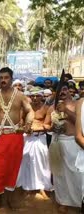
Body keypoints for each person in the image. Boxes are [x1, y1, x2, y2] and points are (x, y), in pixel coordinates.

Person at [0, 67, 34, 211]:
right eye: (1, 77)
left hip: (15, 136)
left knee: (12, 168)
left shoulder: (20, 96)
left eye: (6, 77)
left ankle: (8, 199)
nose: (3, 80)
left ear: (11, 78)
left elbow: (29, 111)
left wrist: (28, 123)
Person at [44, 83, 83, 213]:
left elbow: (79, 121)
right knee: (59, 175)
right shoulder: (51, 108)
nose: (62, 92)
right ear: (55, 93)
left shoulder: (78, 104)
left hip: (74, 143)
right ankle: (63, 201)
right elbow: (46, 124)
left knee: (77, 174)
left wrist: (65, 110)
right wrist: (51, 128)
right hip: (58, 142)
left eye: (65, 89)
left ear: (69, 91)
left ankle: (79, 201)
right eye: (59, 90)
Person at [17, 87, 52, 198]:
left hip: (40, 138)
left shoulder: (47, 108)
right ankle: (27, 187)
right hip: (27, 138)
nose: (35, 98)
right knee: (26, 161)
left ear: (42, 96)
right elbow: (20, 123)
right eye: (33, 96)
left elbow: (48, 125)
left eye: (37, 96)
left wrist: (36, 129)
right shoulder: (25, 108)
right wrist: (25, 128)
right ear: (30, 97)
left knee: (42, 162)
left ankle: (42, 187)